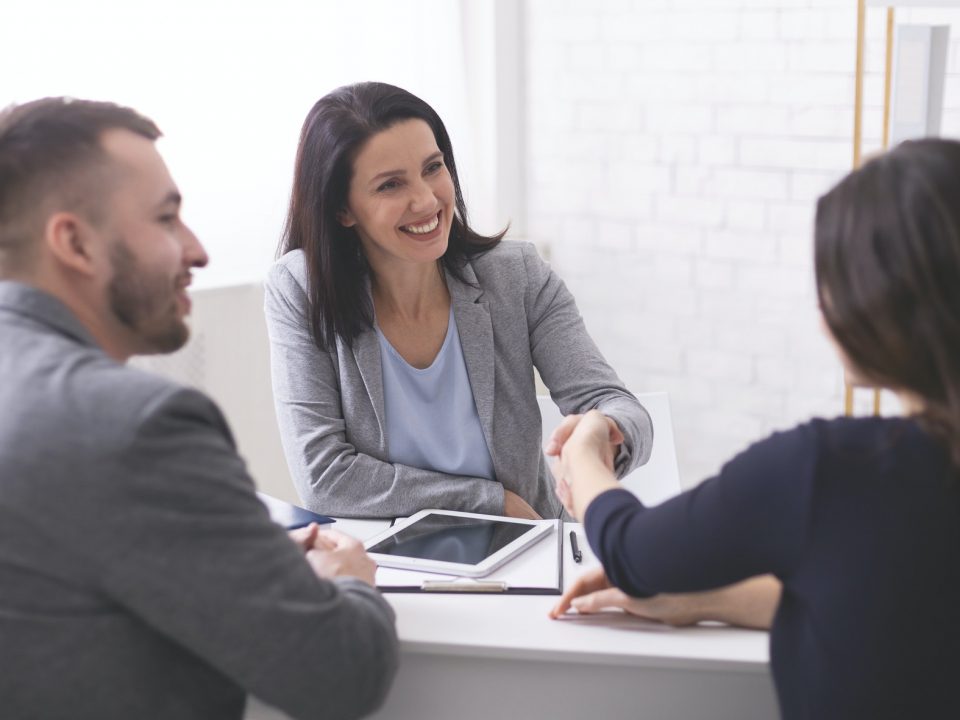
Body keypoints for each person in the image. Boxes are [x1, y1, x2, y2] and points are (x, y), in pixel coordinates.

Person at [0, 98, 398, 720]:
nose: (198, 250)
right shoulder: (135, 425)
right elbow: (340, 674)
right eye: (166, 219)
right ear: (74, 242)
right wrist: (350, 578)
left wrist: (237, 554)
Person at [548, 138, 960, 719]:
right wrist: (709, 598)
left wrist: (586, 456)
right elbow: (895, 604)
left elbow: (630, 549)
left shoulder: (832, 469)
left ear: (882, 300)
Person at [265, 81, 652, 520]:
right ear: (343, 210)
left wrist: (600, 429)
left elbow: (619, 406)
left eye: (433, 167)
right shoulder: (300, 290)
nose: (427, 200)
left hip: (527, 554)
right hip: (389, 563)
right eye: (391, 185)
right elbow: (324, 477)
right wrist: (489, 501)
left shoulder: (517, 275)